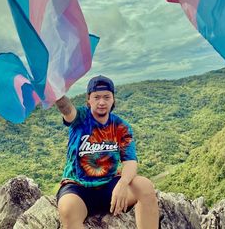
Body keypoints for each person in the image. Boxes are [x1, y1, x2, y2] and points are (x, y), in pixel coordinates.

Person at [55, 75, 159, 229]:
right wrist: (56, 93)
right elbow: (67, 109)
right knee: (68, 209)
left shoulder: (121, 126)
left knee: (145, 186)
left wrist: (123, 184)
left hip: (110, 185)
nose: (102, 102)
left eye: (106, 97)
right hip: (78, 187)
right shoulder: (81, 118)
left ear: (113, 100)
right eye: (96, 97)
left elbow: (130, 161)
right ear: (88, 100)